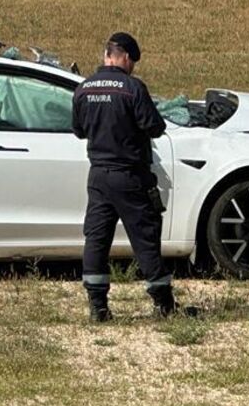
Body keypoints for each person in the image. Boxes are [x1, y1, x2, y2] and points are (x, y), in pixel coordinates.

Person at [72, 32, 191, 320]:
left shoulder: (83, 88)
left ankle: (98, 307)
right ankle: (164, 305)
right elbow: (155, 127)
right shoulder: (132, 88)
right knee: (145, 237)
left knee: (96, 239)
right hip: (130, 176)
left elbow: (79, 130)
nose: (133, 66)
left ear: (106, 55)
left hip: (98, 176)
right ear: (125, 57)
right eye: (133, 61)